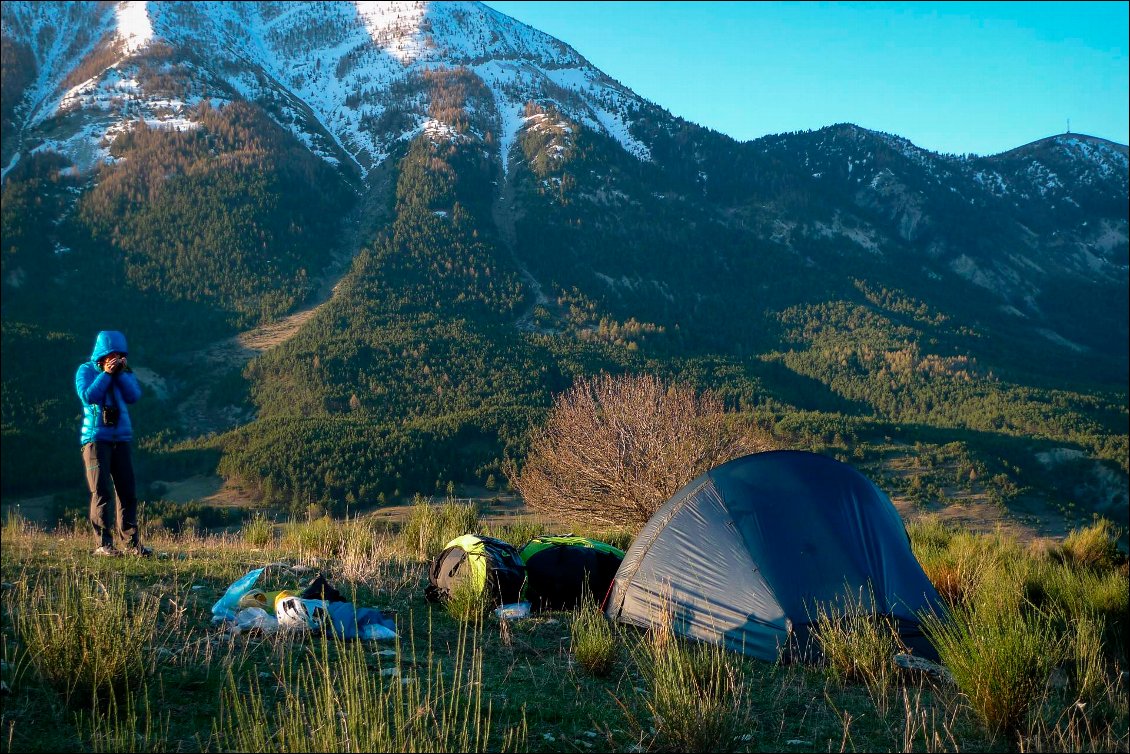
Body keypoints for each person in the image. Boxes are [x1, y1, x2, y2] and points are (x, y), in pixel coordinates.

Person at [76, 330, 151, 557]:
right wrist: (106, 374)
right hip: (96, 439)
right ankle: (103, 544)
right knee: (101, 492)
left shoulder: (124, 373)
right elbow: (88, 396)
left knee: (127, 492)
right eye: (112, 354)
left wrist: (120, 374)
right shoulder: (86, 370)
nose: (116, 358)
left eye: (120, 354)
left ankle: (131, 544)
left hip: (121, 439)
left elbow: (133, 396)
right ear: (103, 354)